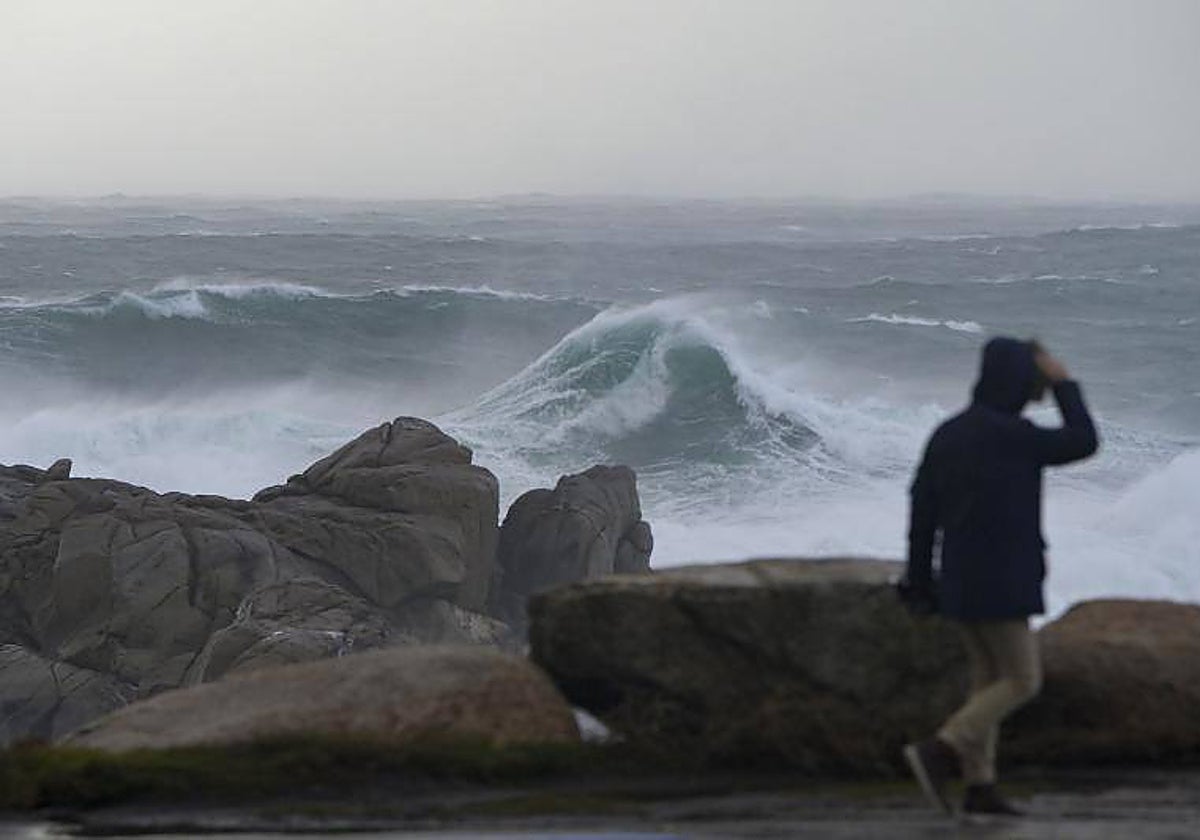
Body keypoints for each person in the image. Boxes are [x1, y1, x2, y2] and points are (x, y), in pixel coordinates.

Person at [900, 337, 1099, 817]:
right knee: (1023, 680)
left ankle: (979, 785)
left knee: (987, 680)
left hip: (959, 580)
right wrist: (1065, 383)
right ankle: (941, 749)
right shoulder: (1017, 436)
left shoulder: (947, 434)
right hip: (1004, 582)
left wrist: (920, 579)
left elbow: (921, 512)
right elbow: (1084, 440)